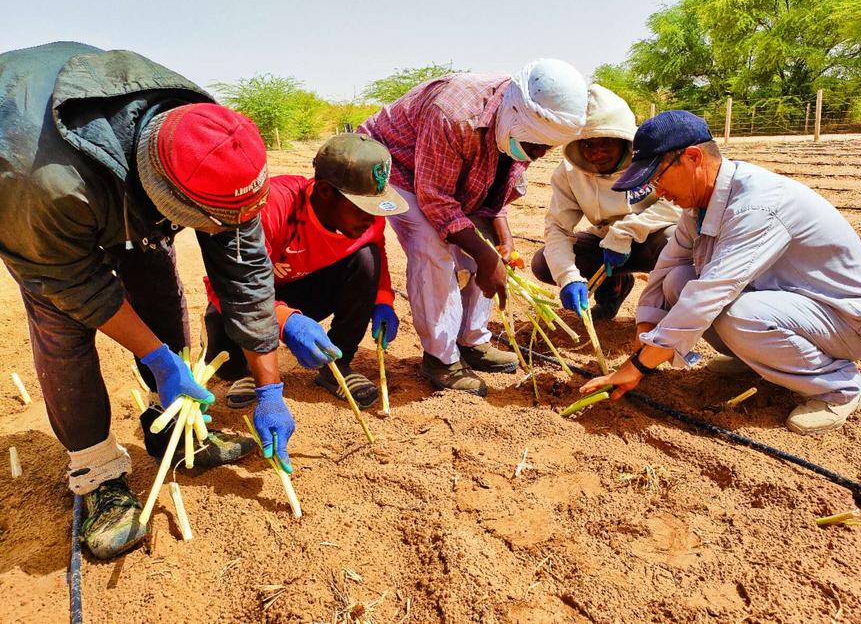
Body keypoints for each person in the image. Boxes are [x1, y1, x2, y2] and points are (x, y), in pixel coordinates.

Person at [0, 42, 295, 559]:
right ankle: (95, 471)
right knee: (63, 326)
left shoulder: (214, 138)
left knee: (156, 273)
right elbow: (73, 285)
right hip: (29, 175)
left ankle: (174, 427)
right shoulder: (42, 183)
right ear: (160, 191)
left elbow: (245, 270)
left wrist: (271, 388)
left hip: (114, 174)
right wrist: (158, 358)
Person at [579, 110, 861, 434]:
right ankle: (756, 359)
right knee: (678, 281)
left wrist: (638, 366)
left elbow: (710, 293)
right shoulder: (700, 205)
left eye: (657, 177)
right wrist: (645, 330)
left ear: (693, 158)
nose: (657, 191)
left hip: (848, 320)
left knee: (735, 313)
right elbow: (668, 267)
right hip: (795, 305)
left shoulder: (755, 206)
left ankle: (839, 388)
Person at [358, 59, 588, 396]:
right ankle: (440, 358)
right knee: (432, 247)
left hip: (443, 171)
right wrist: (484, 256)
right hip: (397, 165)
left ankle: (472, 340)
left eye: (546, 149)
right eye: (534, 147)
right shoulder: (454, 114)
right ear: (514, 116)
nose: (538, 155)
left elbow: (494, 188)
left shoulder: (524, 129)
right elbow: (436, 199)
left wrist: (501, 242)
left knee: (486, 247)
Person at [204, 133, 406, 408]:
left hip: (303, 292)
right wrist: (285, 320)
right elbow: (228, 284)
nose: (372, 218)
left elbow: (376, 250)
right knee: (228, 359)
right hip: (249, 298)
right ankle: (247, 368)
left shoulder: (367, 221)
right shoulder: (271, 206)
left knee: (366, 259)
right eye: (363, 207)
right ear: (324, 192)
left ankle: (337, 365)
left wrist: (382, 300)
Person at [530, 84, 681, 319]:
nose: (597, 153)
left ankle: (670, 311)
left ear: (623, 139)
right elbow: (557, 227)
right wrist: (568, 277)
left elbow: (676, 206)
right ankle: (614, 289)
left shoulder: (653, 157)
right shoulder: (568, 172)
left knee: (675, 242)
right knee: (544, 263)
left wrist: (626, 232)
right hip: (606, 242)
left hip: (653, 237)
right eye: (588, 144)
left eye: (606, 142)